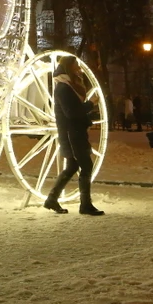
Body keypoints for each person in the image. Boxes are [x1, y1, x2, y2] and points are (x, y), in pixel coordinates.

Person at [44, 55, 104, 216]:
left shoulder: (68, 86)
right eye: (76, 65)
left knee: (72, 167)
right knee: (86, 166)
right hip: (72, 134)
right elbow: (72, 112)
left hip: (73, 132)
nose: (79, 68)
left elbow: (74, 110)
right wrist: (90, 104)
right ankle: (85, 205)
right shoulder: (63, 88)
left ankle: (52, 199)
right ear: (69, 67)